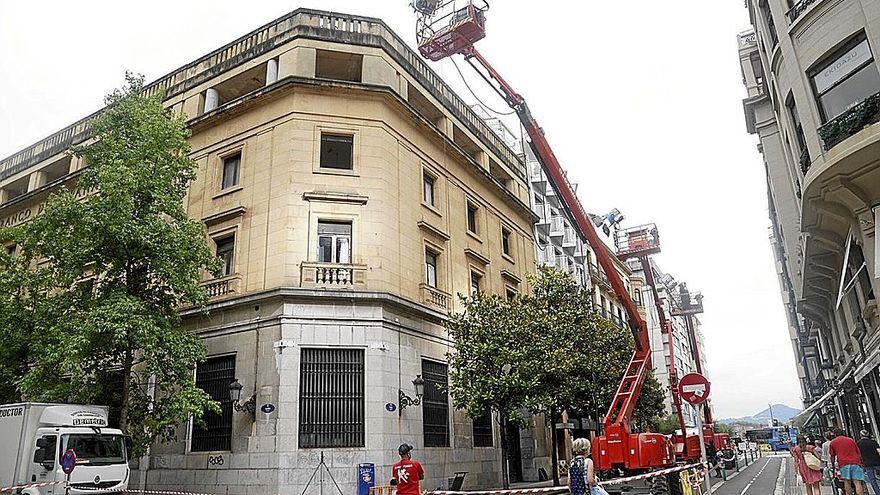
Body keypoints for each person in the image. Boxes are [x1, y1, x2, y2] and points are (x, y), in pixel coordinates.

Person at [830, 428, 866, 495]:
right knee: (858, 483)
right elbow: (858, 453)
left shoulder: (833, 442)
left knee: (847, 482)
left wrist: (833, 466)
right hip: (856, 462)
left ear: (835, 434)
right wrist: (861, 462)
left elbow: (832, 456)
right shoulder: (851, 440)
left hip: (843, 464)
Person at [858, 430, 880, 495]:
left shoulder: (858, 443)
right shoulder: (873, 442)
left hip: (867, 464)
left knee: (872, 480)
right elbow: (878, 451)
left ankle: (878, 493)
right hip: (877, 462)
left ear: (861, 435)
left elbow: (858, 454)